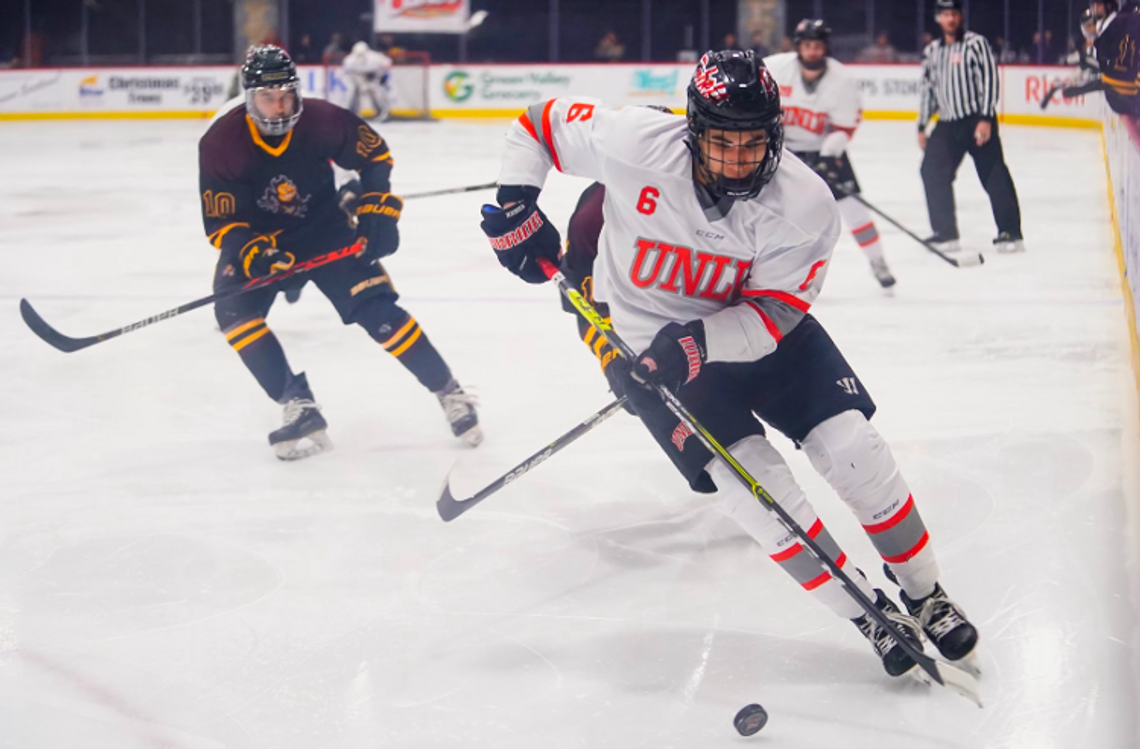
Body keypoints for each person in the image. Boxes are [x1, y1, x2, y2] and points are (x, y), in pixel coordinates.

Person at [479, 50, 980, 679]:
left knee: (853, 446)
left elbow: (774, 314)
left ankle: (924, 591)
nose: (740, 160)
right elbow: (537, 123)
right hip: (648, 348)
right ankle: (868, 614)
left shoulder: (805, 203)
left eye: (753, 144)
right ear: (693, 132)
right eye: (722, 144)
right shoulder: (636, 142)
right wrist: (517, 203)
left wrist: (696, 344)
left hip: (751, 329)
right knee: (754, 488)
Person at [198, 45, 482, 460]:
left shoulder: (323, 118)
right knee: (233, 312)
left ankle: (450, 392)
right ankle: (298, 404)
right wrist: (257, 254)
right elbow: (226, 223)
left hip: (325, 231)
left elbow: (374, 157)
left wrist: (376, 208)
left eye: (285, 96)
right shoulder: (222, 141)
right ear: (248, 98)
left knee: (380, 313)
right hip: (264, 240)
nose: (279, 108)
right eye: (267, 97)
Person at [767, 19, 897, 288]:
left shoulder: (842, 80)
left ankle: (877, 261)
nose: (812, 51)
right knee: (773, 211)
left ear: (825, 47)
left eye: (817, 46)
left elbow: (845, 126)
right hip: (785, 152)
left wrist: (827, 155)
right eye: (807, 45)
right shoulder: (776, 68)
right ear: (798, 47)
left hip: (824, 149)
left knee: (854, 209)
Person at [918, 0, 1024, 253]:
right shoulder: (932, 51)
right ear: (938, 19)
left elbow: (989, 80)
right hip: (947, 123)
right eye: (945, 15)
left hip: (976, 120)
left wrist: (985, 118)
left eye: (954, 13)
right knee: (931, 171)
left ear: (960, 16)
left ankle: (1011, 233)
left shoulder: (976, 44)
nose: (950, 19)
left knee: (993, 175)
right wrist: (922, 125)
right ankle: (946, 234)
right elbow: (928, 89)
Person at [341, 40, 395, 121]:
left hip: (373, 79)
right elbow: (347, 72)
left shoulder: (376, 57)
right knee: (352, 93)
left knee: (377, 93)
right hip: (358, 78)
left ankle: (383, 113)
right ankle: (351, 114)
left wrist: (381, 75)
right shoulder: (349, 60)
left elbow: (387, 63)